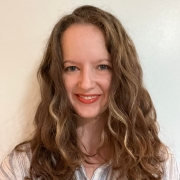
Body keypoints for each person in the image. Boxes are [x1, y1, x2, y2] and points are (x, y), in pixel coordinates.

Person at [0, 5, 179, 180]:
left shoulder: (157, 164)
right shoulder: (21, 166)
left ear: (122, 74)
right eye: (72, 68)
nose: (85, 84)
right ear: (56, 75)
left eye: (102, 66)